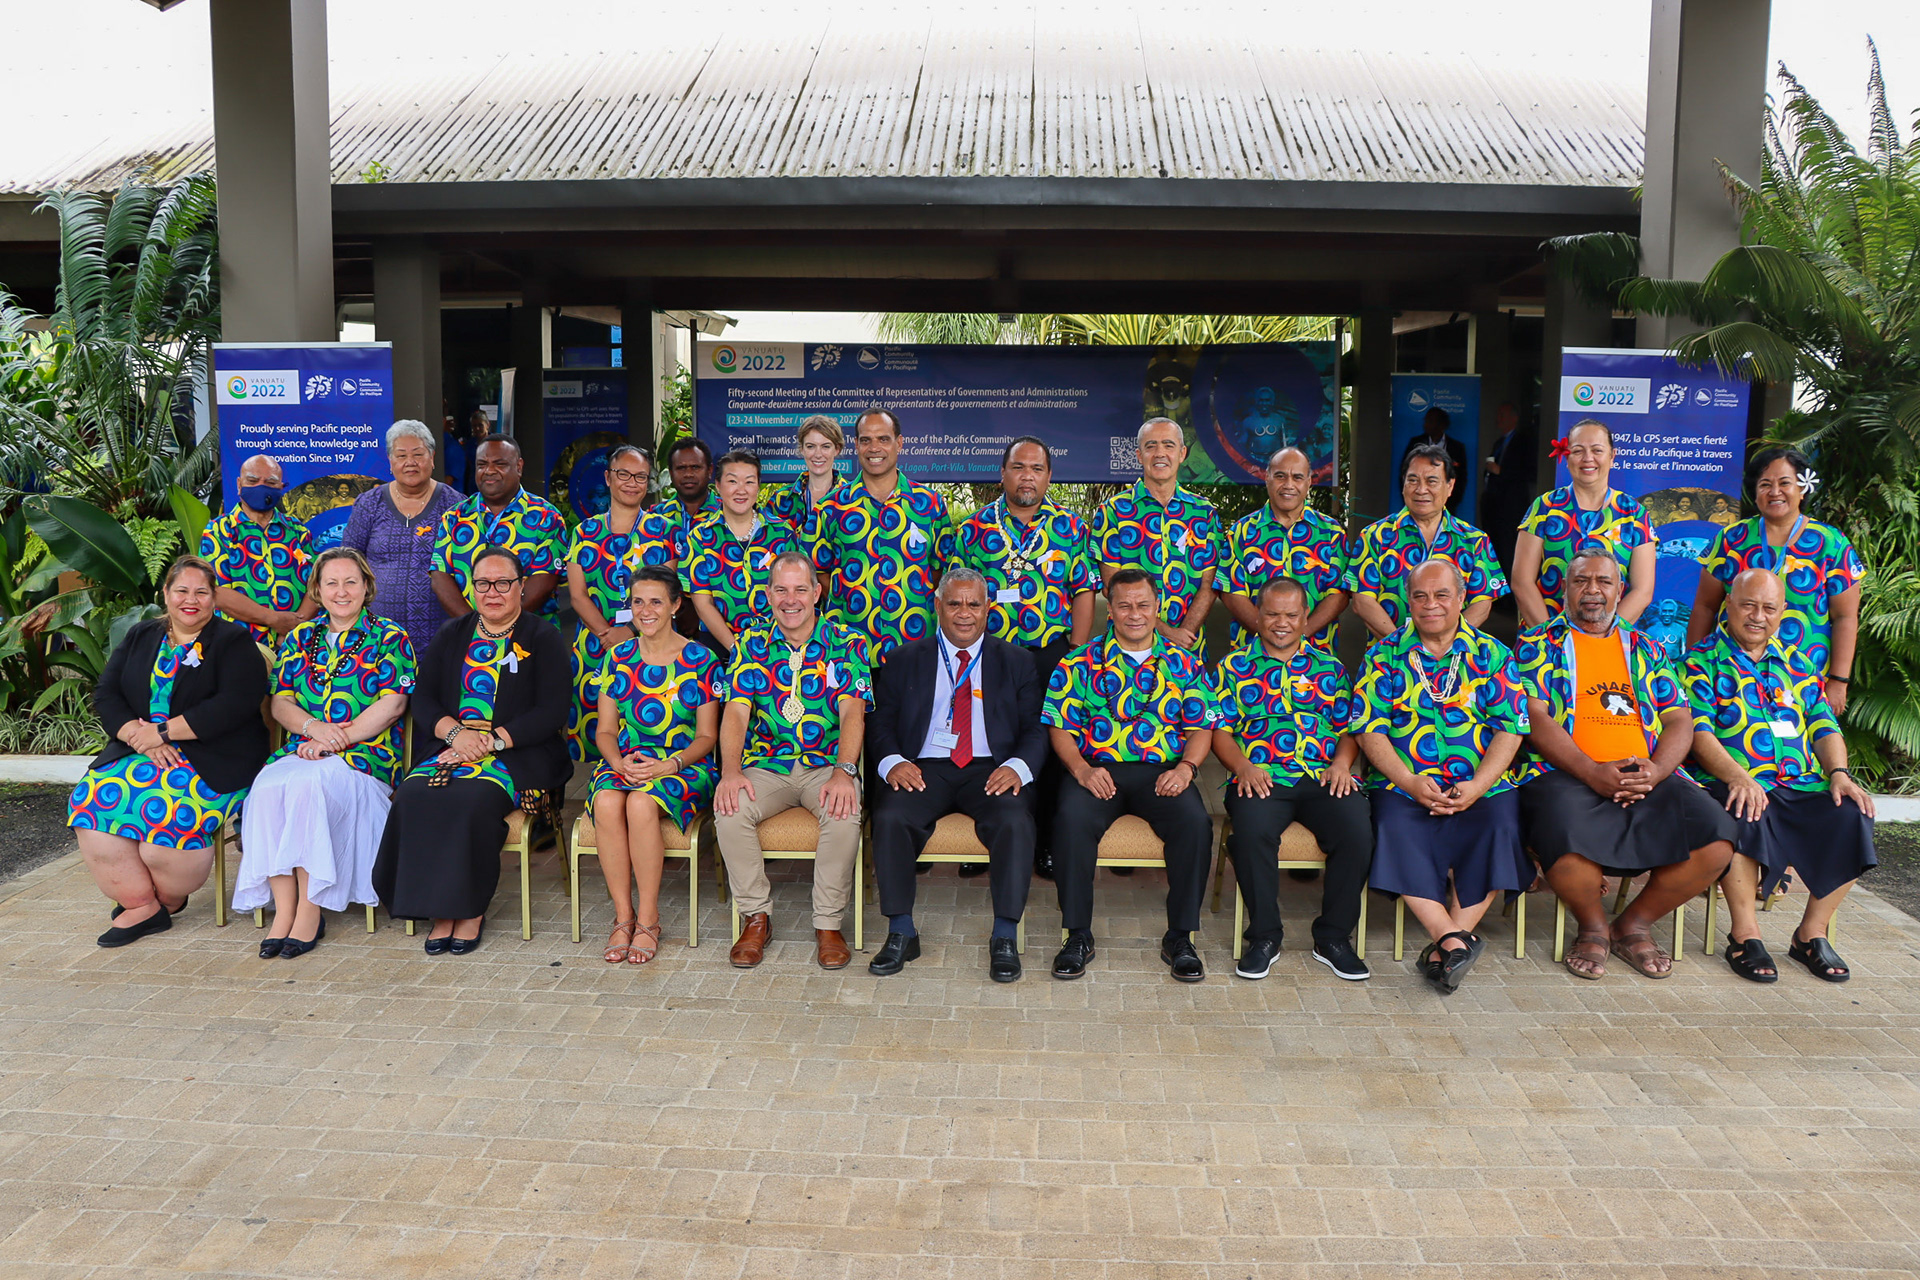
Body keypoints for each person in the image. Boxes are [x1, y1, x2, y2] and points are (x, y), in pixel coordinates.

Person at [1513, 548, 1736, 979]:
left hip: (1645, 772)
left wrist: (1657, 770)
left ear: (1621, 591)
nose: (1592, 591)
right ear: (1565, 590)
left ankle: (1633, 924)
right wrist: (1591, 771)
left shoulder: (1646, 647)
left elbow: (1679, 720)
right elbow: (1534, 719)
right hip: (1566, 772)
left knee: (1717, 836)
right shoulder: (1537, 644)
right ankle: (1594, 927)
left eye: (1603, 582)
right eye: (1581, 582)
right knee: (1559, 828)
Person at [372, 547, 571, 955]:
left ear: (520, 587)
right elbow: (424, 699)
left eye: (503, 583)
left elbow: (551, 710)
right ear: (472, 587)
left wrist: (491, 741)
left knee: (471, 797)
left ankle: (469, 910)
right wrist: (456, 736)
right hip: (451, 747)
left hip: (515, 752)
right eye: (483, 583)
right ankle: (437, 909)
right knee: (415, 793)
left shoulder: (542, 636)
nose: (492, 592)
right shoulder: (453, 633)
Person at [1686, 568, 1878, 984]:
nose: (1758, 616)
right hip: (1733, 778)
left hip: (1799, 782)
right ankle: (1745, 934)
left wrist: (1840, 774)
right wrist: (1738, 776)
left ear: (1782, 612)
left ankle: (1811, 933)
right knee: (1739, 808)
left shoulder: (1797, 661)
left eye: (1769, 608)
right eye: (1748, 605)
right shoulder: (1700, 661)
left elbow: (1824, 726)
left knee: (1853, 813)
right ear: (1729, 605)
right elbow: (1698, 733)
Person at [69, 556, 270, 947]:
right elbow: (107, 692)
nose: (190, 600)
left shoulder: (233, 641)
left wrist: (161, 732)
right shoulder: (142, 635)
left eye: (201, 592)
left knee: (166, 819)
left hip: (214, 758)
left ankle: (169, 897)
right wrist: (136, 735)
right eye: (181, 590)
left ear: (214, 598)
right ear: (166, 594)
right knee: (90, 800)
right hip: (140, 750)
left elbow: (235, 704)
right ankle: (142, 904)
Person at [1354, 559, 1531, 993]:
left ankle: (1444, 945)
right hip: (1403, 783)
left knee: (1502, 823)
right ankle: (1453, 941)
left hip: (1479, 781)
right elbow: (1368, 731)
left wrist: (1478, 786)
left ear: (1461, 599)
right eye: (1420, 596)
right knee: (1392, 824)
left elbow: (1511, 728)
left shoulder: (1493, 654)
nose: (1430, 604)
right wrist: (1410, 782)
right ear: (1408, 601)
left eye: (1441, 595)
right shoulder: (1384, 654)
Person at [1042, 570, 1222, 982]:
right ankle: (1077, 934)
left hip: (1163, 772)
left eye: (1143, 605)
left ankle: (1180, 937)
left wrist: (1186, 768)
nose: (1134, 614)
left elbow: (1202, 726)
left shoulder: (1185, 663)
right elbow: (1059, 725)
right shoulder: (1079, 661)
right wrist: (1082, 770)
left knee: (1195, 824)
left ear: (1157, 608)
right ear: (1111, 611)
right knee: (1069, 820)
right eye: (1124, 605)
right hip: (1097, 771)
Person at [235, 547, 415, 958]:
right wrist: (313, 730)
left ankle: (310, 911)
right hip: (303, 750)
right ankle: (284, 911)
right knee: (265, 789)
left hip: (364, 757)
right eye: (331, 583)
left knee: (307, 788)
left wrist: (336, 741)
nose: (341, 591)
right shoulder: (301, 637)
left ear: (367, 586)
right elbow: (281, 702)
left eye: (351, 581)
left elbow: (394, 705)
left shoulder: (389, 636)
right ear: (317, 589)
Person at [868, 570, 1045, 982]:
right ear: (938, 606)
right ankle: (901, 931)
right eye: (954, 604)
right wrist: (892, 760)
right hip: (924, 766)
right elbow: (880, 722)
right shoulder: (904, 658)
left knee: (1015, 820)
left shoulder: (1018, 662)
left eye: (974, 604)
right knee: (892, 815)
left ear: (988, 609)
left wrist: (1017, 767)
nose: (964, 613)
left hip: (991, 768)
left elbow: (1037, 728)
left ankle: (1004, 934)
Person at [714, 552, 874, 970]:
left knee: (844, 810)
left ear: (816, 592)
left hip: (826, 766)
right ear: (767, 595)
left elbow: (852, 712)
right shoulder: (750, 643)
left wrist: (844, 773)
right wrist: (730, 773)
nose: (791, 599)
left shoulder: (847, 641)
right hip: (768, 764)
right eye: (781, 590)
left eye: (800, 589)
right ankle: (755, 917)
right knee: (729, 808)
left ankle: (827, 923)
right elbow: (735, 713)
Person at [1211, 578, 1373, 981]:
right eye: (1271, 614)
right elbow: (1218, 730)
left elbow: (1349, 728)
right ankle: (1265, 936)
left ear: (1305, 618)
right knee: (1249, 834)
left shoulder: (1330, 668)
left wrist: (1342, 764)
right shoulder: (1233, 667)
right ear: (1257, 616)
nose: (1281, 623)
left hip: (1322, 775)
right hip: (1261, 776)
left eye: (1291, 615)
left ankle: (1333, 937)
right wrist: (1242, 767)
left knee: (1358, 829)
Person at [951, 435, 1096, 877]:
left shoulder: (1072, 528)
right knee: (990, 744)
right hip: (989, 657)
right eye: (1018, 467)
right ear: (1003, 473)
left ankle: (1046, 843)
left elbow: (1084, 591)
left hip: (1052, 655)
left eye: (1036, 468)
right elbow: (956, 593)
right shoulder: (974, 529)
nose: (1027, 476)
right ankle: (987, 835)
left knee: (1052, 746)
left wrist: (1075, 651)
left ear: (1049, 476)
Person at [589, 566, 723, 965]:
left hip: (683, 764)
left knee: (640, 804)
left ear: (676, 605)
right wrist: (618, 762)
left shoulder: (701, 659)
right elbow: (606, 731)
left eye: (656, 602)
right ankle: (623, 916)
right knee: (609, 802)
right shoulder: (618, 657)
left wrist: (669, 765)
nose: (645, 610)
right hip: (626, 759)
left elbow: (707, 737)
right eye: (638, 602)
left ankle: (649, 920)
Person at [1689, 445, 1863, 713]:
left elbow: (1846, 617)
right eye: (1765, 484)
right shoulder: (1731, 539)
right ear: (1755, 491)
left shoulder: (1831, 544)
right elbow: (1704, 607)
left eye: (1785, 483)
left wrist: (1839, 681)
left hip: (1804, 681)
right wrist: (1694, 667)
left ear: (1802, 487)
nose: (1774, 492)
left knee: (1800, 749)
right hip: (1730, 678)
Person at [565, 445, 686, 761]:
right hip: (596, 646)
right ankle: (600, 799)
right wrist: (609, 635)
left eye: (641, 476)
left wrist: (629, 631)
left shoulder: (665, 532)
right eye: (623, 474)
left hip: (651, 643)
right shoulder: (584, 532)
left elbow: (668, 589)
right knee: (597, 729)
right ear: (608, 477)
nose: (632, 482)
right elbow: (577, 594)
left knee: (646, 722)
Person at [815, 408, 956, 659]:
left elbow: (940, 568)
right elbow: (818, 570)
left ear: (899, 443)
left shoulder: (929, 504)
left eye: (883, 439)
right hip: (850, 645)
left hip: (914, 641)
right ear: (856, 445)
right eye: (866, 440)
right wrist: (850, 599)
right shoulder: (831, 507)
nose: (874, 448)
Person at [1350, 443, 1508, 640]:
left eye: (1431, 481)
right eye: (1413, 480)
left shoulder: (1475, 541)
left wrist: (1444, 645)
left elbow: (1482, 603)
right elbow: (1362, 601)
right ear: (1403, 484)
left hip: (1453, 659)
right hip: (1390, 658)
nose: (1421, 489)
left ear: (1450, 486)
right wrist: (1402, 646)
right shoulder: (1375, 536)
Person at [1512, 419, 1657, 627]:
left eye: (1597, 450)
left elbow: (1643, 591)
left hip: (1609, 641)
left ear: (1612, 456)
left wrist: (1602, 637)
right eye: (1578, 451)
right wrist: (1551, 637)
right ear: (1566, 456)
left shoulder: (1633, 513)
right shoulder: (1545, 507)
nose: (1588, 458)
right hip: (1546, 637)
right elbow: (1522, 581)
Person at [1092, 418, 1220, 653]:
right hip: (1126, 648)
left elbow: (1209, 585)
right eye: (1151, 446)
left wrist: (1184, 636)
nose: (1160, 453)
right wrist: (1169, 633)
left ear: (1182, 454)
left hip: (1187, 649)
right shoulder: (1113, 511)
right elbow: (1111, 584)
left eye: (1168, 445)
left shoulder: (1204, 513)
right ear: (1139, 456)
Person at [342, 419, 463, 660]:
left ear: (432, 457)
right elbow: (348, 562)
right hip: (377, 636)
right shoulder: (369, 503)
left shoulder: (457, 505)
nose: (410, 462)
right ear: (390, 461)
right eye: (401, 455)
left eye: (418, 454)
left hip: (441, 636)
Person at [1223, 446, 1350, 650]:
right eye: (1280, 476)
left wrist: (1299, 635)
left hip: (1315, 659)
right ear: (1267, 478)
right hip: (1251, 660)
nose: (1288, 485)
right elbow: (1231, 593)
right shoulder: (1242, 532)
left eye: (1297, 477)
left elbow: (1339, 595)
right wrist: (1270, 636)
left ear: (1309, 482)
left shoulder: (1331, 534)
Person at [429, 435, 568, 621]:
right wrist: (476, 629)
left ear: (518, 467)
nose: (489, 471)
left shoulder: (546, 517)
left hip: (530, 636)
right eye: (482, 464)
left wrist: (500, 627)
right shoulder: (454, 517)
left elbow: (545, 580)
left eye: (500, 464)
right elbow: (440, 578)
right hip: (469, 638)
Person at [688, 451, 804, 656]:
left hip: (777, 645)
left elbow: (794, 594)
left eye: (749, 482)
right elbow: (703, 603)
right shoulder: (700, 537)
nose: (741, 490)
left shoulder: (782, 533)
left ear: (758, 486)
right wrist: (736, 649)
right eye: (732, 481)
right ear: (717, 485)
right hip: (719, 647)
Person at [200, 453, 316, 644]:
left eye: (270, 483)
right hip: (237, 645)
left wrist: (291, 631)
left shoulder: (298, 531)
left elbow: (316, 585)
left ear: (281, 487)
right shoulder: (219, 531)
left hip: (294, 646)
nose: (261, 487)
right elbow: (215, 591)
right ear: (239, 484)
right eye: (252, 480)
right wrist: (274, 620)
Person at [764, 414, 845, 542]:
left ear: (837, 449)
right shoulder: (781, 499)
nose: (818, 454)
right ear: (802, 449)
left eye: (826, 446)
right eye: (810, 446)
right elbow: (767, 547)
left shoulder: (853, 498)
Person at [1479, 402, 1534, 579]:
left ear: (1514, 418)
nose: (1498, 420)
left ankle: (1509, 600)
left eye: (1502, 416)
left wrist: (1500, 471)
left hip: (1511, 507)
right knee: (1494, 551)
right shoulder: (1499, 442)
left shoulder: (1524, 442)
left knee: (1508, 550)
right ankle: (1498, 594)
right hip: (1493, 504)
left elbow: (1528, 472)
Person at [1398, 406, 1470, 513]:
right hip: (1418, 504)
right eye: (1426, 421)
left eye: (1430, 421)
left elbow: (1461, 478)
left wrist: (1451, 502)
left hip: (1447, 506)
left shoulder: (1457, 447)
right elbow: (1404, 472)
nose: (1425, 425)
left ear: (1442, 424)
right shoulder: (1415, 443)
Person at [654, 437, 718, 533]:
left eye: (695, 467)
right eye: (681, 468)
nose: (688, 474)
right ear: (671, 473)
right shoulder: (654, 517)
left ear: (709, 470)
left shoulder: (728, 514)